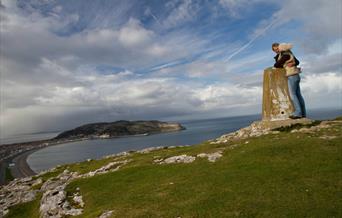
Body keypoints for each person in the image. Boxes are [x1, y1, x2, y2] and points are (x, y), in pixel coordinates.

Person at [272, 42, 306, 119]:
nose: (276, 50)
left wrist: (291, 63)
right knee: (298, 95)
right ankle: (303, 113)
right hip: (295, 75)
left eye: (277, 48)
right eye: (274, 50)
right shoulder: (287, 53)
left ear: (280, 47)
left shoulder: (285, 54)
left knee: (293, 95)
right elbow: (295, 61)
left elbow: (277, 65)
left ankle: (298, 113)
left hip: (292, 75)